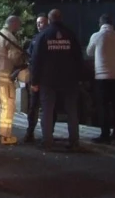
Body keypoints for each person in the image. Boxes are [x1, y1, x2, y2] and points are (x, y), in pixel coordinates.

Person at [30, 9, 83, 151]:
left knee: (47, 110)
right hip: (69, 79)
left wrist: (34, 81)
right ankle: (74, 142)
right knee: (72, 111)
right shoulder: (70, 34)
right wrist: (80, 78)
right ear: (61, 18)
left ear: (49, 19)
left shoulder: (43, 35)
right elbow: (79, 58)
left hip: (48, 80)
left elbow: (36, 60)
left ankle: (47, 141)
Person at [86, 14, 115, 144]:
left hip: (102, 77)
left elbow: (89, 52)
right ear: (112, 24)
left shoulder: (96, 36)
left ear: (100, 24)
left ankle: (104, 134)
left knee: (103, 107)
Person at [0, 15, 24, 145]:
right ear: (13, 24)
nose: (19, 27)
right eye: (18, 24)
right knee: (8, 105)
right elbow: (15, 58)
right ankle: (5, 134)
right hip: (5, 77)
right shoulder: (10, 38)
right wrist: (22, 62)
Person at [24, 13, 49, 143]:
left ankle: (48, 134)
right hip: (35, 78)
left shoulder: (49, 38)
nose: (39, 25)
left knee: (48, 107)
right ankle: (30, 132)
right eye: (37, 23)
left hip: (47, 79)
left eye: (42, 22)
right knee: (33, 106)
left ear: (48, 22)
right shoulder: (34, 39)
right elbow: (30, 56)